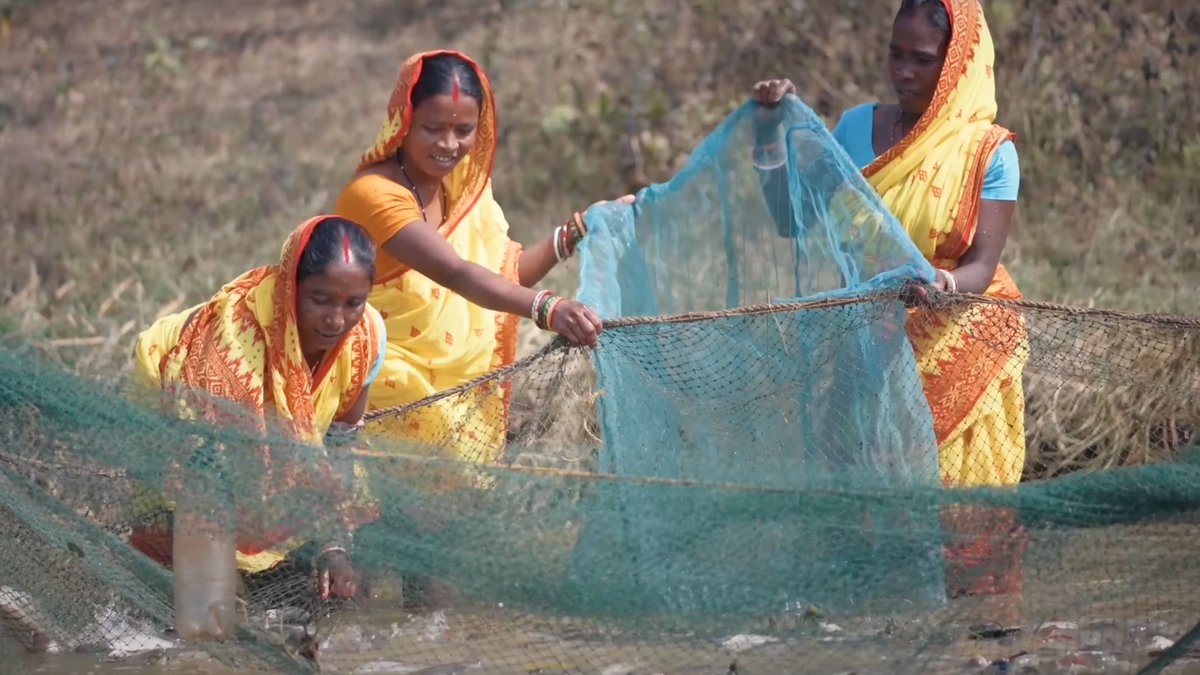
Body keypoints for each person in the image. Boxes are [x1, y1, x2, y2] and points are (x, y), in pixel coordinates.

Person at [751, 0, 1028, 600]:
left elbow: (980, 265)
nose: (903, 71)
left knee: (960, 510)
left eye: (922, 60)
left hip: (960, 337)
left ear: (955, 66)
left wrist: (941, 286)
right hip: (869, 335)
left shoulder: (988, 151)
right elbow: (791, 220)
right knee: (859, 488)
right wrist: (769, 131)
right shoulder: (854, 129)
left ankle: (984, 639)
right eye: (894, 54)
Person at [334, 50, 630, 463]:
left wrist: (577, 229)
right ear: (402, 122)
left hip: (448, 394)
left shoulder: (460, 191)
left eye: (463, 129)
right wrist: (548, 308)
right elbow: (455, 273)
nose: (449, 145)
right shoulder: (373, 195)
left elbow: (504, 279)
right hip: (378, 385)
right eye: (433, 128)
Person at [128, 215, 386, 601]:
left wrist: (333, 545)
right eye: (320, 299)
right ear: (289, 288)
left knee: (329, 586)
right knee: (199, 588)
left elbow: (340, 440)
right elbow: (208, 469)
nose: (337, 320)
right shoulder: (234, 348)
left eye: (353, 303)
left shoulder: (366, 336)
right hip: (184, 409)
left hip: (269, 444)